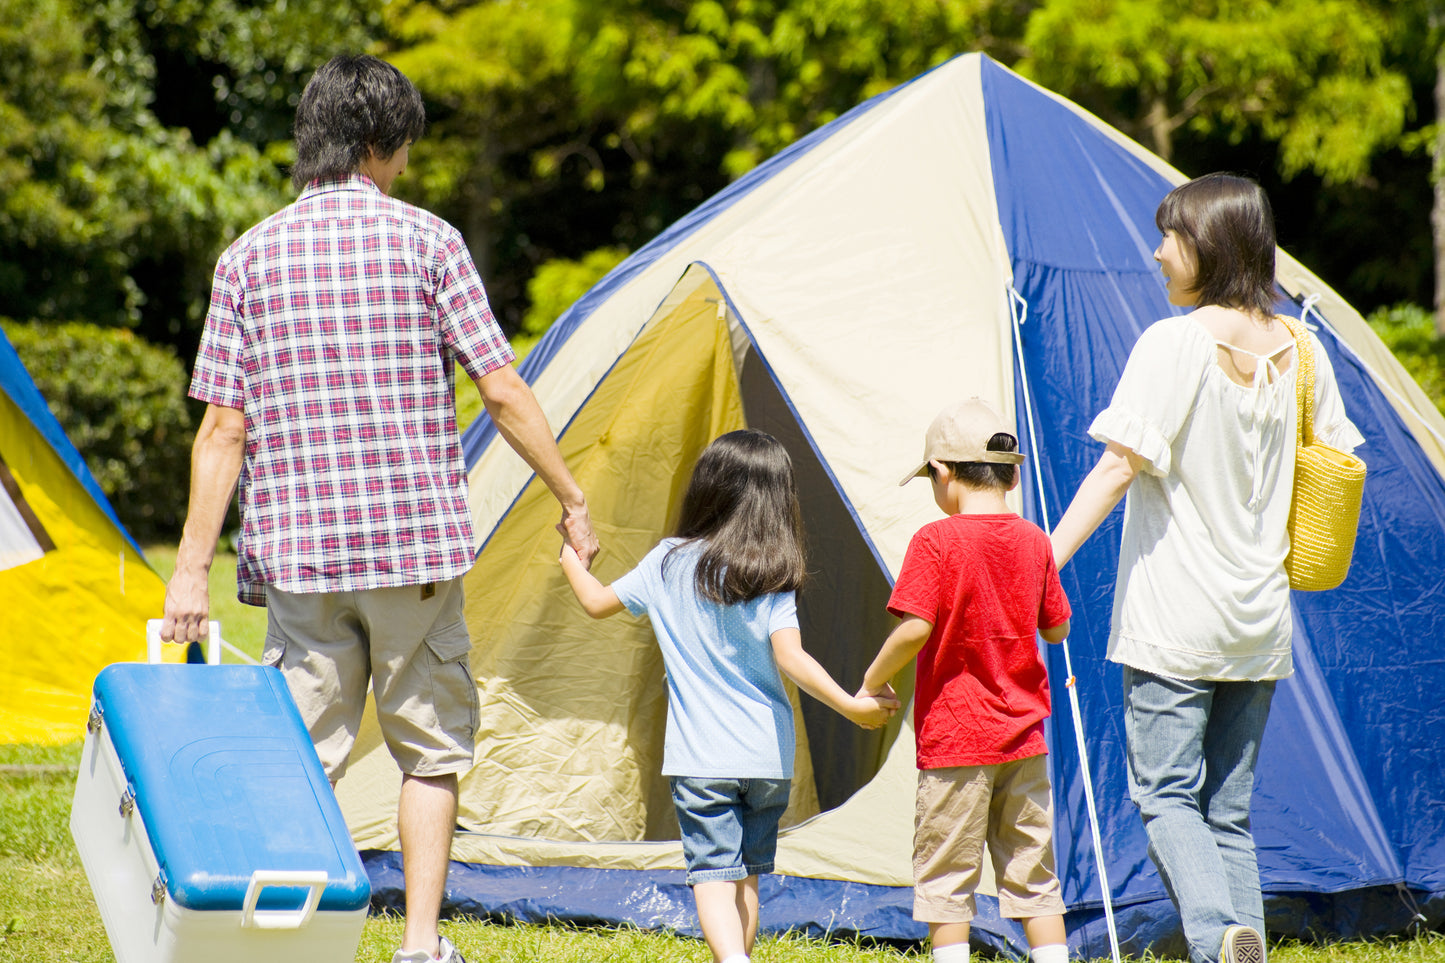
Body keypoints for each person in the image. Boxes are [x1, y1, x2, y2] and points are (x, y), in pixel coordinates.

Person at [160, 54, 599, 963]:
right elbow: (501, 389)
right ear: (377, 142)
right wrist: (569, 494)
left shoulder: (245, 258)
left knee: (302, 761)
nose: (406, 168)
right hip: (413, 556)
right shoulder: (430, 242)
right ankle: (422, 944)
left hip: (301, 557)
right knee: (428, 752)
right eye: (402, 151)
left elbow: (221, 431)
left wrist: (192, 566)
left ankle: (289, 942)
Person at [1048, 173, 1364, 963]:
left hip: (1173, 617)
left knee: (1163, 794)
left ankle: (1216, 934)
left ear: (1210, 244)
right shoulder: (1304, 351)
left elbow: (1117, 467)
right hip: (1257, 620)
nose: (1156, 253)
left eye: (1170, 236)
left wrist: (1038, 559)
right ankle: (1237, 940)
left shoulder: (1176, 342)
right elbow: (1340, 460)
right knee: (1225, 810)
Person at [556, 428, 898, 963]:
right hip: (767, 759)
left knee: (712, 874)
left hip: (701, 757)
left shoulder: (668, 560)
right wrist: (853, 706)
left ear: (708, 489)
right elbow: (792, 659)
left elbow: (597, 603)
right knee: (749, 877)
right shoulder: (772, 574)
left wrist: (572, 557)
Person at [856, 398, 1073, 963]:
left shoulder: (936, 540)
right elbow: (1057, 628)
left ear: (943, 473)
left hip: (956, 739)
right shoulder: (1034, 541)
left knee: (947, 875)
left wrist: (870, 680)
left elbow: (913, 630)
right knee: (1032, 871)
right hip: (1024, 738)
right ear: (1012, 472)